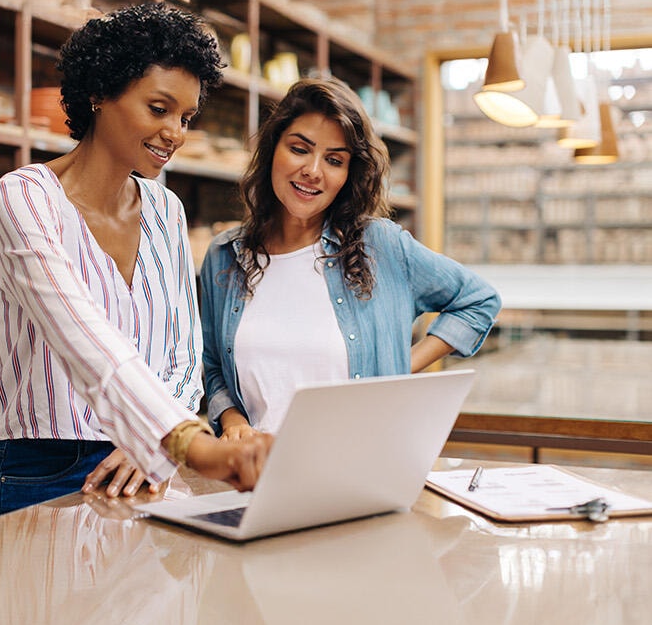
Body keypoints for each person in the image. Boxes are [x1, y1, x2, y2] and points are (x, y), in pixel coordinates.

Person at [0, 2, 273, 520]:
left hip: (150, 470)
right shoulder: (25, 198)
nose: (175, 133)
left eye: (186, 118)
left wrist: (153, 445)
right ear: (99, 92)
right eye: (159, 109)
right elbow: (80, 334)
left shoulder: (166, 208)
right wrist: (181, 440)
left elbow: (184, 351)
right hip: (42, 469)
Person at [201, 78, 501, 439]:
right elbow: (214, 365)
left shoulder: (380, 245)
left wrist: (397, 370)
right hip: (256, 468)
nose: (313, 171)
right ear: (272, 150)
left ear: (348, 174)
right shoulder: (225, 256)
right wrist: (232, 420)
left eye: (334, 160)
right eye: (299, 149)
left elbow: (478, 301)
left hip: (361, 462)